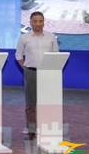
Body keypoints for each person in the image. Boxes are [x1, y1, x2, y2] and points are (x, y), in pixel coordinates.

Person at [15, 11, 58, 140]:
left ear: (44, 22)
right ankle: (32, 130)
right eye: (35, 21)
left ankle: (47, 128)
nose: (38, 24)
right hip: (31, 73)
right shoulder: (24, 38)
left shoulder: (51, 37)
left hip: (47, 73)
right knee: (31, 104)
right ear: (30, 22)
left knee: (48, 103)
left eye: (40, 21)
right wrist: (25, 69)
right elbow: (18, 55)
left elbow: (56, 55)